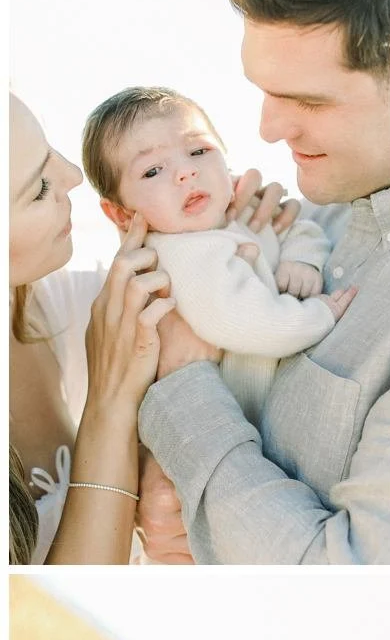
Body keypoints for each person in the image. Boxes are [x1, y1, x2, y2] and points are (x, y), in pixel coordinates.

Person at [135, 0, 390, 568]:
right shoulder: (293, 218)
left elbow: (341, 572)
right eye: (263, 91)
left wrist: (183, 384)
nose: (268, 129)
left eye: (308, 101)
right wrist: (164, 470)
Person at [81, 88, 357, 429]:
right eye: (152, 171)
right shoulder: (178, 257)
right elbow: (250, 323)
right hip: (236, 424)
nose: (186, 172)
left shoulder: (239, 210)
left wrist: (302, 260)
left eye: (199, 151)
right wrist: (321, 314)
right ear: (122, 214)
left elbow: (300, 229)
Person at [9, 90, 172, 564]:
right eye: (38, 188)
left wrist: (235, 231)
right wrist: (110, 401)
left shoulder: (50, 308)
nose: (74, 176)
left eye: (50, 153)